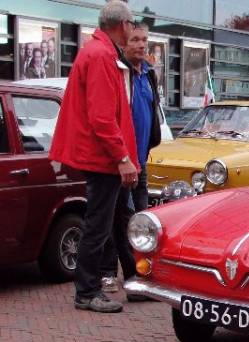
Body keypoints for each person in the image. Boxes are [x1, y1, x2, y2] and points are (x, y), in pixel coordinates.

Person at [49, 0, 138, 313]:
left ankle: (127, 282)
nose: (133, 29)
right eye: (131, 23)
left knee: (108, 221)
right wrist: (122, 157)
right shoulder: (101, 55)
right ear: (122, 25)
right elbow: (102, 117)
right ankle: (87, 292)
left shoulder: (97, 52)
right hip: (102, 158)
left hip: (100, 156)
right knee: (99, 225)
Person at [100, 22, 162, 294]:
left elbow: (152, 111)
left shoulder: (148, 74)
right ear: (124, 42)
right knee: (116, 217)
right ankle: (108, 273)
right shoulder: (118, 71)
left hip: (141, 160)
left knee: (140, 219)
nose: (140, 44)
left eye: (144, 39)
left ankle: (140, 273)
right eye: (135, 39)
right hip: (120, 160)